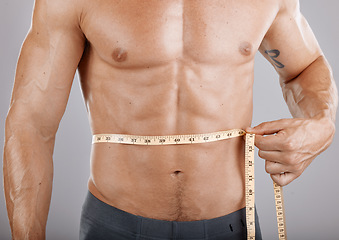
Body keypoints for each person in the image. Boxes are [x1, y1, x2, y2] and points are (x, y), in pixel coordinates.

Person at [3, 0, 338, 239]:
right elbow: (31, 123)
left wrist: (323, 122)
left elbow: (304, 67)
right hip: (116, 225)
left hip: (233, 227)